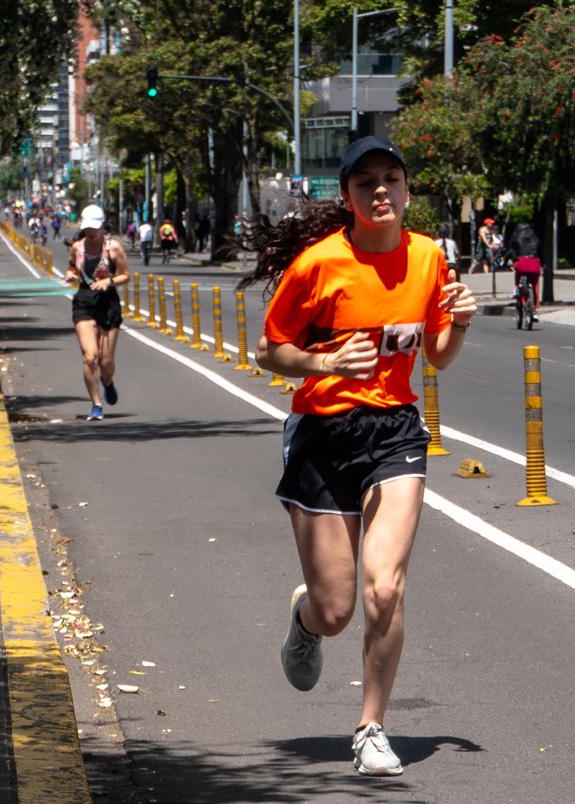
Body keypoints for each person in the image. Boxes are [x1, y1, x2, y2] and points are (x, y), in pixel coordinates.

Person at [241, 136, 477, 777]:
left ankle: (371, 727)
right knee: (337, 610)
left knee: (385, 586)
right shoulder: (319, 264)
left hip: (394, 431)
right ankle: (306, 619)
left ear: (407, 191)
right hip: (322, 434)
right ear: (347, 196)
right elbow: (268, 351)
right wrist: (325, 362)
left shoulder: (428, 257)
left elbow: (437, 357)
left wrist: (460, 322)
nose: (380, 190)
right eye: (366, 181)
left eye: (391, 179)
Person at [63, 205, 130, 421]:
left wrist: (108, 282)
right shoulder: (77, 247)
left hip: (108, 303)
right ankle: (96, 404)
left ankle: (107, 382)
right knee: (90, 357)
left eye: (94, 227)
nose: (90, 232)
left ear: (102, 227)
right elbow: (72, 268)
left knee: (105, 362)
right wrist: (70, 275)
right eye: (87, 228)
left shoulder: (113, 248)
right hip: (84, 302)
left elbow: (125, 275)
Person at [509, 222, 542, 321]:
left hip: (521, 263)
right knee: (535, 284)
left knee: (518, 274)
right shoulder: (535, 237)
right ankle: (534, 309)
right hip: (534, 263)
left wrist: (511, 260)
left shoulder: (516, 237)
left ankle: (517, 289)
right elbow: (540, 251)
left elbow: (511, 249)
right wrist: (543, 263)